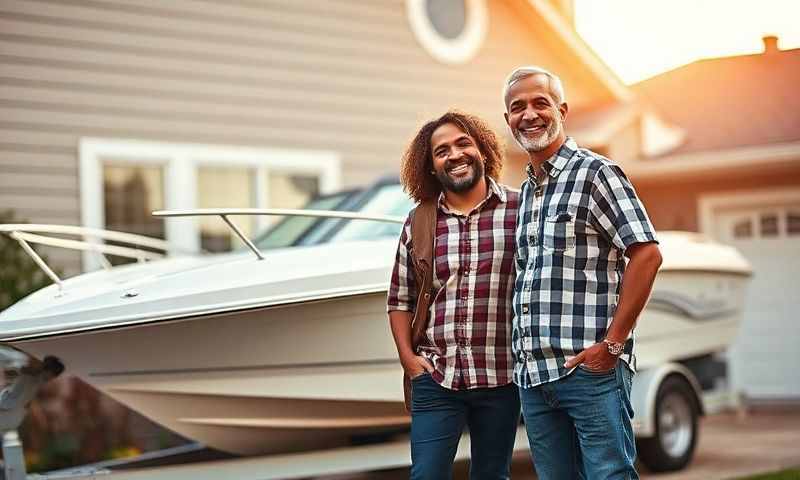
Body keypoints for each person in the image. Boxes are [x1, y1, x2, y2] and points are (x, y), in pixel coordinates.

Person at [503, 66, 663, 480]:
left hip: (589, 373)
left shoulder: (595, 173)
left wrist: (612, 345)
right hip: (535, 378)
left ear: (562, 109)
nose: (530, 114)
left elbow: (646, 254)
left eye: (541, 102)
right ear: (508, 120)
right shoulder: (528, 194)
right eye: (517, 107)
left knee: (609, 476)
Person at [387, 111, 520, 480]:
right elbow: (399, 300)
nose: (455, 154)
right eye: (441, 150)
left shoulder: (520, 210)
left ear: (482, 150)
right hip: (436, 376)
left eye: (464, 143)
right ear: (430, 166)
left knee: (492, 475)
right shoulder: (419, 221)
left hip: (501, 375)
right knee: (426, 476)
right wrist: (409, 361)